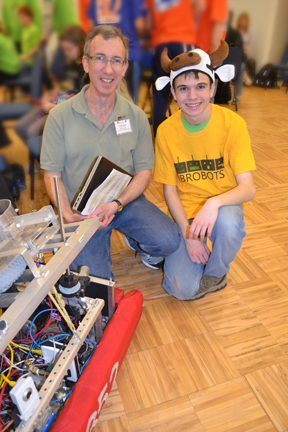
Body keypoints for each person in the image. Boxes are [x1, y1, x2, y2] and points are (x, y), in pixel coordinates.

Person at [40, 25, 180, 279]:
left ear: (125, 67)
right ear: (85, 63)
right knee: (94, 287)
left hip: (122, 201)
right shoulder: (59, 116)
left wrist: (117, 203)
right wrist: (67, 215)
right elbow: (52, 174)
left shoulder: (136, 117)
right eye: (100, 58)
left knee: (170, 241)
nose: (108, 69)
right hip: (81, 212)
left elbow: (145, 172)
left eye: (116, 60)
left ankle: (133, 239)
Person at [153, 41, 256, 301]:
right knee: (181, 290)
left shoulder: (233, 124)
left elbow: (248, 187)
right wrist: (189, 234)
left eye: (200, 86)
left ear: (212, 88)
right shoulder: (166, 130)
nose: (193, 96)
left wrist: (213, 203)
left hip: (223, 207)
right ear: (173, 93)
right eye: (183, 89)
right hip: (185, 215)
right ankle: (175, 249)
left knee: (229, 224)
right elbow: (170, 191)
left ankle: (216, 273)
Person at [15, 25, 89, 159]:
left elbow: (82, 103)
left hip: (67, 110)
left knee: (32, 131)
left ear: (81, 44)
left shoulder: (87, 70)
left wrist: (54, 107)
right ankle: (40, 158)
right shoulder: (70, 63)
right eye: (63, 49)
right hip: (58, 102)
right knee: (20, 127)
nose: (66, 53)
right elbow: (62, 85)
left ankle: (48, 163)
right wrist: (50, 94)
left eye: (68, 49)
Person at [145, 0, 196, 136]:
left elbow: (148, 22)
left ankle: (160, 133)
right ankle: (188, 131)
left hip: (161, 43)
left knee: (159, 90)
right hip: (182, 39)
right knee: (187, 86)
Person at [86, 0, 146, 104]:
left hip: (100, 56)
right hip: (127, 54)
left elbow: (91, 25)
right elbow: (140, 25)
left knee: (101, 98)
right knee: (129, 102)